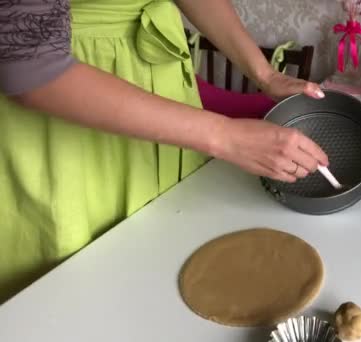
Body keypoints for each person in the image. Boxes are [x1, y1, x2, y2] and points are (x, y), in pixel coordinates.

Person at [0, 0, 329, 304]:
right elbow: (26, 60)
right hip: (69, 117)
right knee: (85, 301)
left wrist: (265, 74)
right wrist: (225, 135)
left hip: (165, 105)